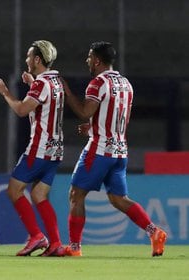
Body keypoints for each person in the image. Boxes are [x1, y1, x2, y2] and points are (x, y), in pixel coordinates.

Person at [62, 41, 167, 257]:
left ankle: (74, 248)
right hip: (120, 151)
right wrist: (92, 127)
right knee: (119, 199)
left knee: (76, 195)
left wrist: (67, 92)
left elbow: (84, 111)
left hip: (99, 150)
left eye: (90, 57)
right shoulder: (126, 84)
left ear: (97, 60)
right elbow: (117, 115)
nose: (87, 61)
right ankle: (154, 232)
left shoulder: (97, 83)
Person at [0, 40, 65, 257]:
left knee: (14, 190)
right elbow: (45, 100)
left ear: (37, 60)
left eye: (28, 56)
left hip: (40, 148)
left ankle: (36, 236)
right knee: (40, 195)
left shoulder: (41, 84)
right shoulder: (56, 81)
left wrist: (5, 92)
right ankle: (56, 244)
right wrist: (33, 82)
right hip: (56, 149)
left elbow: (22, 109)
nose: (26, 60)